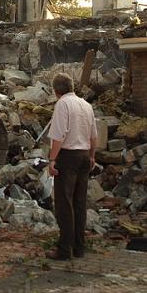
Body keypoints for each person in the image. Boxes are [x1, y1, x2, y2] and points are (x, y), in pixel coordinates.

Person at [46, 72, 97, 260]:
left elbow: (58, 135)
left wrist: (52, 160)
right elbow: (94, 136)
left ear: (56, 90)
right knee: (79, 203)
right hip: (84, 155)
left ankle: (64, 250)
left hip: (68, 157)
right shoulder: (86, 105)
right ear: (71, 87)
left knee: (64, 204)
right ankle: (79, 247)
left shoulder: (63, 104)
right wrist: (92, 156)